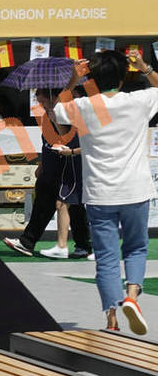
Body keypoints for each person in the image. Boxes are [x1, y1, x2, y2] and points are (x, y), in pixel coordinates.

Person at [54, 49, 158, 333]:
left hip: (99, 193)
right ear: (123, 77)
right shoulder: (139, 101)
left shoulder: (83, 106)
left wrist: (74, 79)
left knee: (107, 257)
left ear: (94, 78)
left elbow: (58, 109)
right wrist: (145, 67)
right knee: (136, 248)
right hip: (135, 190)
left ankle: (111, 319)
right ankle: (132, 296)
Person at [2, 88, 91, 260]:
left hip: (66, 165)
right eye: (39, 101)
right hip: (53, 164)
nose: (41, 104)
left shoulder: (67, 112)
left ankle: (32, 242)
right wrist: (42, 164)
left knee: (63, 203)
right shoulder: (48, 115)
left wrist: (56, 119)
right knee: (67, 204)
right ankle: (82, 245)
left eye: (42, 101)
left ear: (54, 97)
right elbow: (47, 142)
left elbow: (66, 138)